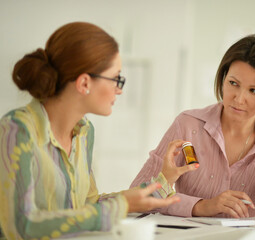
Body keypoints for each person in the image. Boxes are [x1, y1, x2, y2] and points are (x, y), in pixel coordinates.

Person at [0, 22, 198, 240]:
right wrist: (121, 206)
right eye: (116, 79)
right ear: (84, 83)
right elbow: (20, 225)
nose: (119, 90)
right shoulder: (17, 130)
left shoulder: (84, 132)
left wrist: (162, 181)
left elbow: (88, 205)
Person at [131, 34, 255, 222]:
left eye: (254, 91)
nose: (238, 99)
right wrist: (202, 206)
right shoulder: (188, 126)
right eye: (233, 83)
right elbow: (138, 198)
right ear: (222, 78)